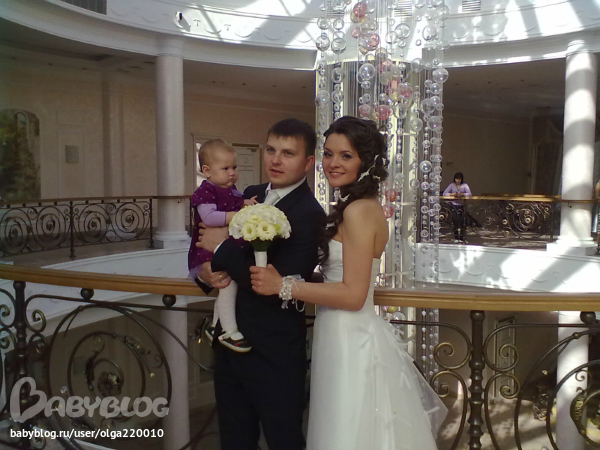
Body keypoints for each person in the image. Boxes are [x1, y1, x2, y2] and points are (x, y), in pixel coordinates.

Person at [250, 116, 447, 450]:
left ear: (365, 162)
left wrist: (282, 285)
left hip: (349, 335)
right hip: (340, 331)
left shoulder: (358, 211)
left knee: (346, 430)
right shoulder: (361, 206)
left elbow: (354, 295)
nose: (333, 163)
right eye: (328, 154)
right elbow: (344, 278)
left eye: (346, 155)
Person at [196, 118, 325, 450]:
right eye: (270, 150)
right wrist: (205, 272)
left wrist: (221, 250)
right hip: (228, 349)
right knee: (234, 441)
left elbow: (271, 284)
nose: (275, 160)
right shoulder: (249, 194)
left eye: (288, 153)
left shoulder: (310, 214)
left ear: (308, 162)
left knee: (284, 441)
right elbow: (205, 237)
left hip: (274, 352)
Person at [188, 139, 257, 352]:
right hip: (207, 250)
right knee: (228, 283)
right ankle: (228, 329)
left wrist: (245, 204)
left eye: (234, 167)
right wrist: (236, 216)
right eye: (225, 168)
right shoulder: (206, 192)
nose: (232, 173)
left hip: (225, 246)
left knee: (227, 282)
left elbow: (235, 202)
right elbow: (208, 218)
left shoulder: (229, 189)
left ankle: (215, 325)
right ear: (207, 171)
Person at [443, 171, 472, 243]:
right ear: (454, 179)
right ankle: (456, 237)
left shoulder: (464, 185)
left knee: (462, 221)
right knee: (455, 221)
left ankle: (462, 237)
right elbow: (444, 193)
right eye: (457, 179)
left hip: (461, 205)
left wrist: (462, 194)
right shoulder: (451, 185)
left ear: (461, 179)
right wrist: (452, 194)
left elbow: (469, 194)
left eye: (459, 179)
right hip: (454, 205)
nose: (458, 180)